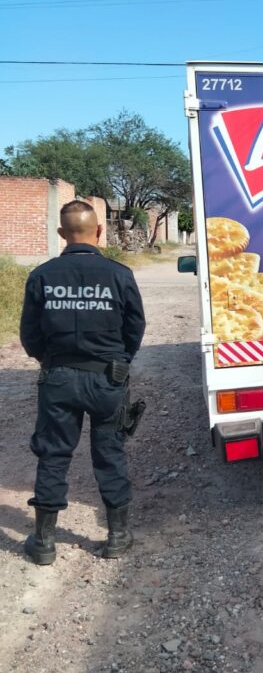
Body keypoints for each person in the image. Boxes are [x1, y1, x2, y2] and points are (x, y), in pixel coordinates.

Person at [19, 200, 146, 564]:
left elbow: (30, 334)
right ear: (100, 232)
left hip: (58, 380)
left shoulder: (42, 275)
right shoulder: (119, 274)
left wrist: (51, 361)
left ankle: (44, 542)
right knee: (110, 454)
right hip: (107, 380)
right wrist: (119, 363)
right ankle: (117, 537)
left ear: (62, 233)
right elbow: (135, 328)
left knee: (53, 455)